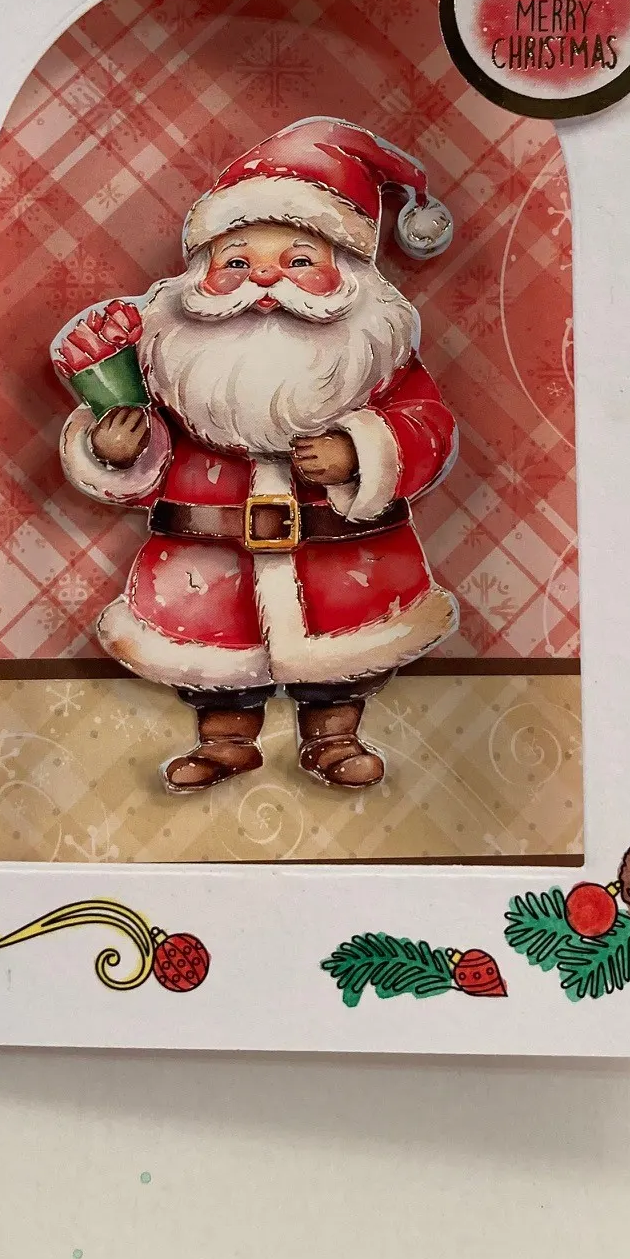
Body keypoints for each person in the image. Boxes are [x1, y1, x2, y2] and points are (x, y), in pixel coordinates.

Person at [58, 117, 460, 791]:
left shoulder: (375, 353)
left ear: (349, 273)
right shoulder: (176, 361)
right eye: (237, 263)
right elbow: (151, 458)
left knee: (342, 666)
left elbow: (428, 425)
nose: (266, 280)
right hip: (206, 566)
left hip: (343, 562)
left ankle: (333, 739)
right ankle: (224, 743)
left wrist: (360, 451)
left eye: (299, 261)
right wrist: (114, 448)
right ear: (200, 273)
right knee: (214, 669)